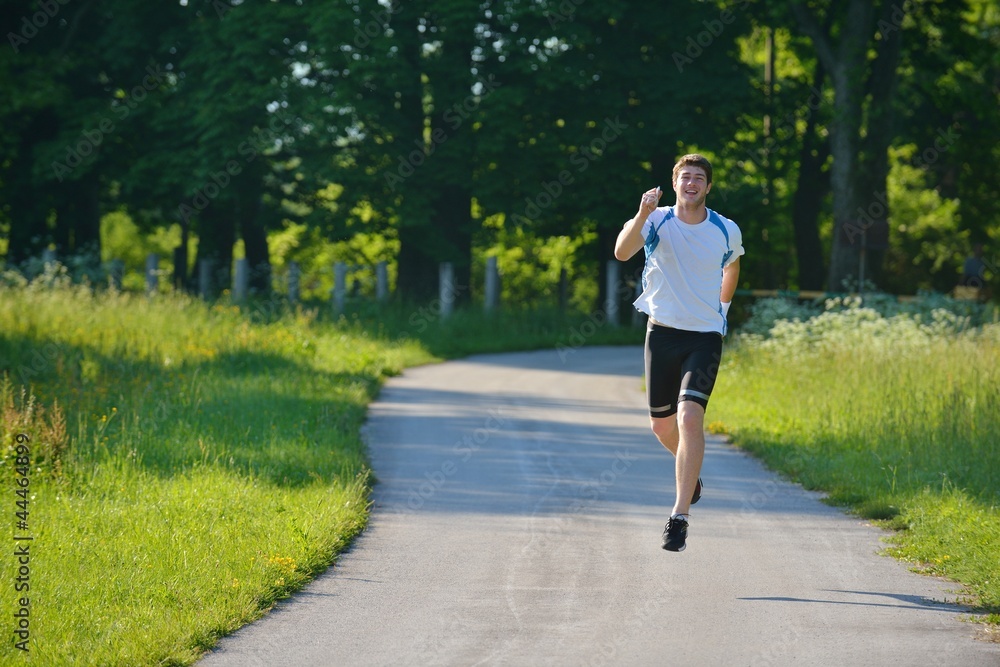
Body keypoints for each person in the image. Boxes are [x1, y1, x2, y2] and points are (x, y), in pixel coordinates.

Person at [614, 154, 744, 552]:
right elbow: (622, 252)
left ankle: (679, 516)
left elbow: (733, 266)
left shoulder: (725, 228)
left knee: (690, 416)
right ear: (675, 183)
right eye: (685, 176)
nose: (691, 183)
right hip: (662, 333)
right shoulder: (655, 219)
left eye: (699, 178)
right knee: (662, 426)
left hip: (704, 336)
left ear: (708, 186)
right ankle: (694, 475)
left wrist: (722, 309)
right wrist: (641, 214)